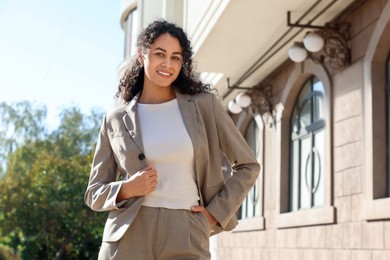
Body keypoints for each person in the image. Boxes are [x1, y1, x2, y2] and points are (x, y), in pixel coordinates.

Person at [84, 19, 260, 260]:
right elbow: (93, 192)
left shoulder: (204, 106)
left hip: (186, 229)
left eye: (176, 57)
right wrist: (125, 188)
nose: (168, 64)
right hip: (128, 234)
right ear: (141, 55)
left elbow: (248, 166)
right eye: (160, 54)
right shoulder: (114, 119)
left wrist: (212, 215)